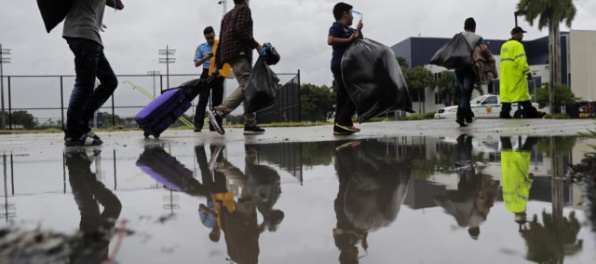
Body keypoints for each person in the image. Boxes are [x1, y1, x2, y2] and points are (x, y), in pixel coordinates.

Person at [62, 0, 124, 146]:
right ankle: (73, 133)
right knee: (84, 84)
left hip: (89, 36)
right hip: (83, 34)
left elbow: (119, 5)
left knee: (110, 82)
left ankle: (82, 123)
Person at [207, 0, 265, 136]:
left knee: (246, 88)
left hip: (228, 54)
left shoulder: (226, 16)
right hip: (240, 52)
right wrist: (257, 45)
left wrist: (218, 64)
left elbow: (221, 41)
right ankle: (219, 112)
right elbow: (242, 31)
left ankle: (249, 123)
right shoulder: (244, 10)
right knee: (247, 86)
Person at [328, 2, 363, 136]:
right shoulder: (337, 26)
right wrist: (349, 40)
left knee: (342, 96)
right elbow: (330, 40)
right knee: (356, 91)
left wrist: (358, 29)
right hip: (341, 64)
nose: (353, 17)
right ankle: (343, 122)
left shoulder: (349, 30)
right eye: (351, 13)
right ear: (345, 14)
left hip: (348, 65)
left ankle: (339, 127)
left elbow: (360, 40)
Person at [499, 27, 543, 119]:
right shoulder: (518, 45)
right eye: (521, 33)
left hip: (505, 76)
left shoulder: (504, 45)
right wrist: (528, 72)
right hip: (516, 75)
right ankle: (532, 114)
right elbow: (521, 61)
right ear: (517, 34)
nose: (522, 35)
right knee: (523, 96)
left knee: (507, 97)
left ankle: (504, 114)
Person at [192, 26, 229, 132]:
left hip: (217, 74)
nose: (210, 40)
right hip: (206, 73)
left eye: (211, 37)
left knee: (217, 101)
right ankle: (198, 125)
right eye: (207, 38)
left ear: (214, 34)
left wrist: (217, 68)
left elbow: (224, 58)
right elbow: (196, 63)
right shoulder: (201, 47)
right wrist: (205, 58)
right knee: (202, 99)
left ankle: (215, 125)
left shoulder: (220, 45)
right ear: (205, 37)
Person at [455, 17, 488, 127]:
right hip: (469, 68)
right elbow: (483, 49)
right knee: (466, 94)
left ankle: (468, 116)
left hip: (458, 68)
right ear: (474, 27)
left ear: (464, 26)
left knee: (464, 93)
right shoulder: (477, 37)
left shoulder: (458, 36)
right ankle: (460, 116)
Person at [500, 136, 539, 226]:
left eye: (525, 216)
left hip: (518, 174)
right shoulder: (508, 207)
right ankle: (503, 131)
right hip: (507, 172)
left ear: (522, 216)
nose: (526, 214)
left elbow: (523, 189)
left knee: (526, 150)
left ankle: (535, 135)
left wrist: (530, 180)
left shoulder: (521, 205)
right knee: (507, 150)